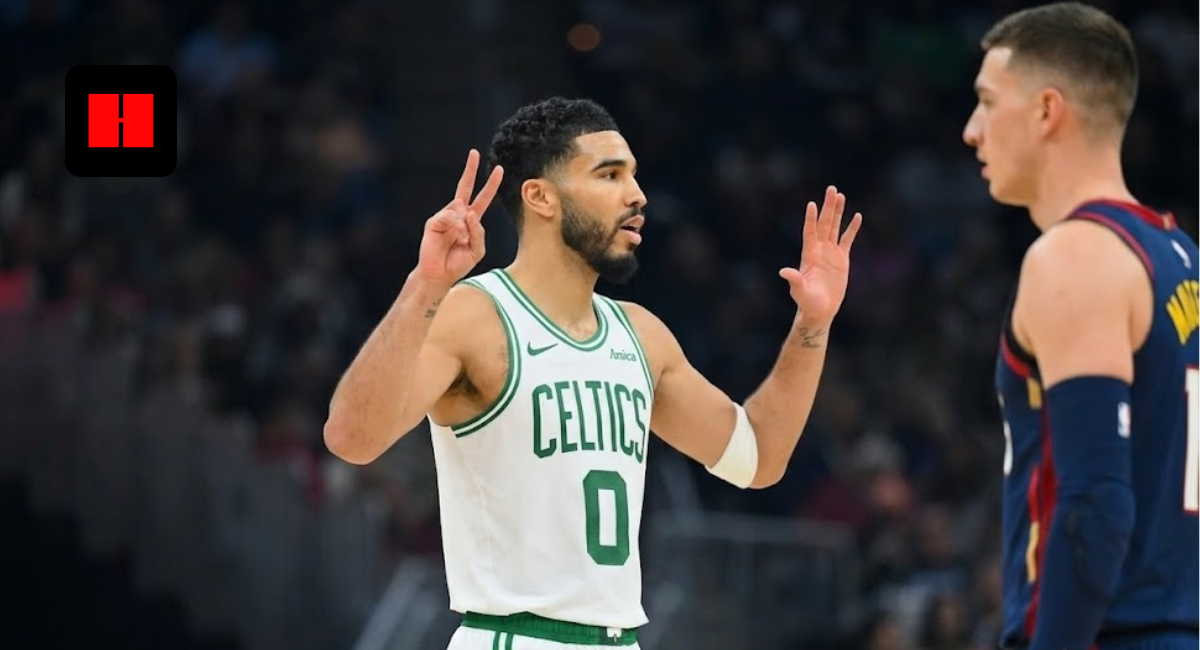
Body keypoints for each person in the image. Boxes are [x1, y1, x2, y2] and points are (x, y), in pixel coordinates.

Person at [323, 96, 862, 649]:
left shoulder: (641, 334)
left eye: (634, 175)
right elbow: (352, 438)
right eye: (610, 175)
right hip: (513, 635)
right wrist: (425, 287)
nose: (637, 195)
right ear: (540, 197)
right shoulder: (474, 314)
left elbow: (758, 458)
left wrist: (811, 323)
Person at [961, 3, 1199, 650]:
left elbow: (1094, 505)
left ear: (1047, 110)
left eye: (986, 102)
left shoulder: (1075, 255)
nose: (971, 131)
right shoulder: (1180, 258)